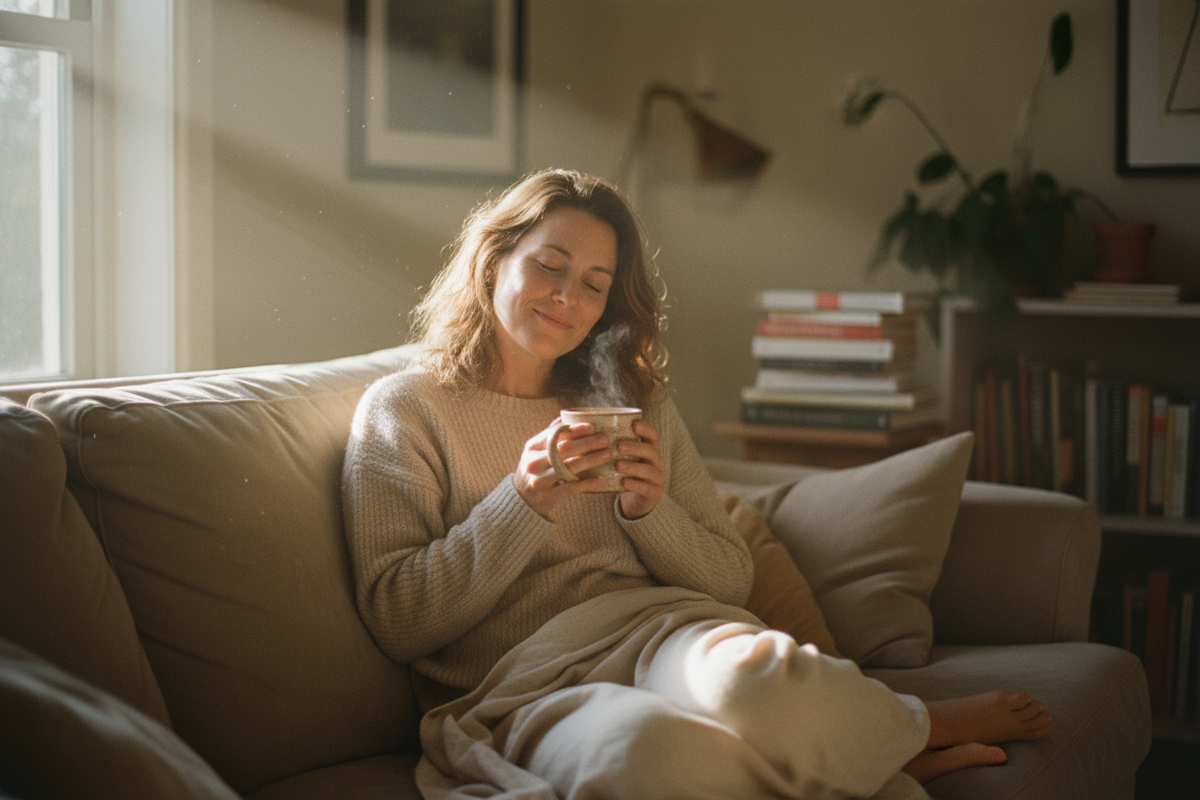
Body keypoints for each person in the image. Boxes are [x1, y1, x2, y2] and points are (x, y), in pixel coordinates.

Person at [341, 168, 1051, 799]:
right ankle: (872, 769)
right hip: (525, 686)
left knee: (755, 679)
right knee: (648, 755)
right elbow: (401, 620)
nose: (567, 297)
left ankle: (915, 725)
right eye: (549, 265)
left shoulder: (630, 399)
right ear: (495, 261)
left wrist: (651, 513)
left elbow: (731, 578)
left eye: (594, 284)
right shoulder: (407, 409)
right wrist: (523, 500)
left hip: (663, 635)